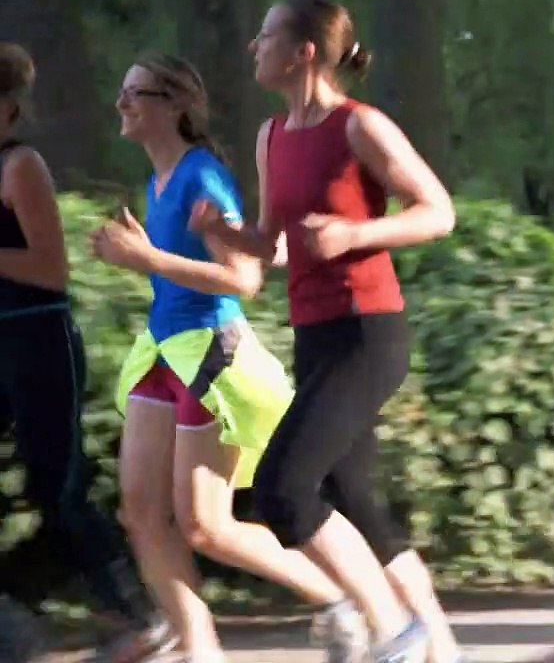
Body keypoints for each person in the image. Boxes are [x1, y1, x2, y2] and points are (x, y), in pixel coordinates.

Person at [190, 0, 462, 663]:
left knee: (284, 489)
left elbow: (438, 212)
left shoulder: (359, 126)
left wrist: (358, 232)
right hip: (314, 333)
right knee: (356, 500)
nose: (254, 46)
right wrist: (226, 234)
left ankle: (395, 630)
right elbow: (277, 245)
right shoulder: (271, 136)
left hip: (368, 332)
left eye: (265, 35)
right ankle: (444, 648)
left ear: (304, 50)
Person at [89, 52, 371, 662]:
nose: (122, 104)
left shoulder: (202, 177)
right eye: (123, 92)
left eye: (137, 93)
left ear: (177, 104)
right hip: (161, 350)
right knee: (139, 512)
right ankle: (200, 647)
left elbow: (243, 278)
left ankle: (336, 598)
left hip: (210, 355)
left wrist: (148, 262)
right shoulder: (158, 180)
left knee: (204, 527)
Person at [0, 42, 174, 662]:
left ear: (7, 108)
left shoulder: (20, 167)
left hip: (37, 339)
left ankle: (139, 615)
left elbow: (51, 269)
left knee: (58, 484)